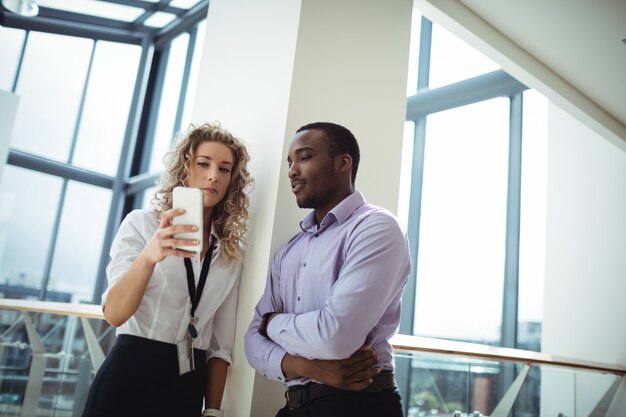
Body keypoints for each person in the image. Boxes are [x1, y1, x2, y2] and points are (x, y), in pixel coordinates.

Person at [82, 122, 252, 417]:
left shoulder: (229, 254)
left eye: (224, 169)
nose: (213, 175)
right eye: (203, 164)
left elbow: (220, 346)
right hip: (129, 373)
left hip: (187, 385)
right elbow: (114, 314)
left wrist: (212, 410)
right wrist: (149, 256)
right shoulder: (142, 224)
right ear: (184, 168)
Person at [244, 122, 411, 417]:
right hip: (294, 406)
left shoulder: (376, 227)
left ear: (343, 163)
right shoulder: (289, 251)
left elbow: (335, 337)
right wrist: (307, 366)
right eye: (290, 162)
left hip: (359, 404)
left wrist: (271, 324)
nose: (292, 171)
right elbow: (251, 344)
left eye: (304, 157)